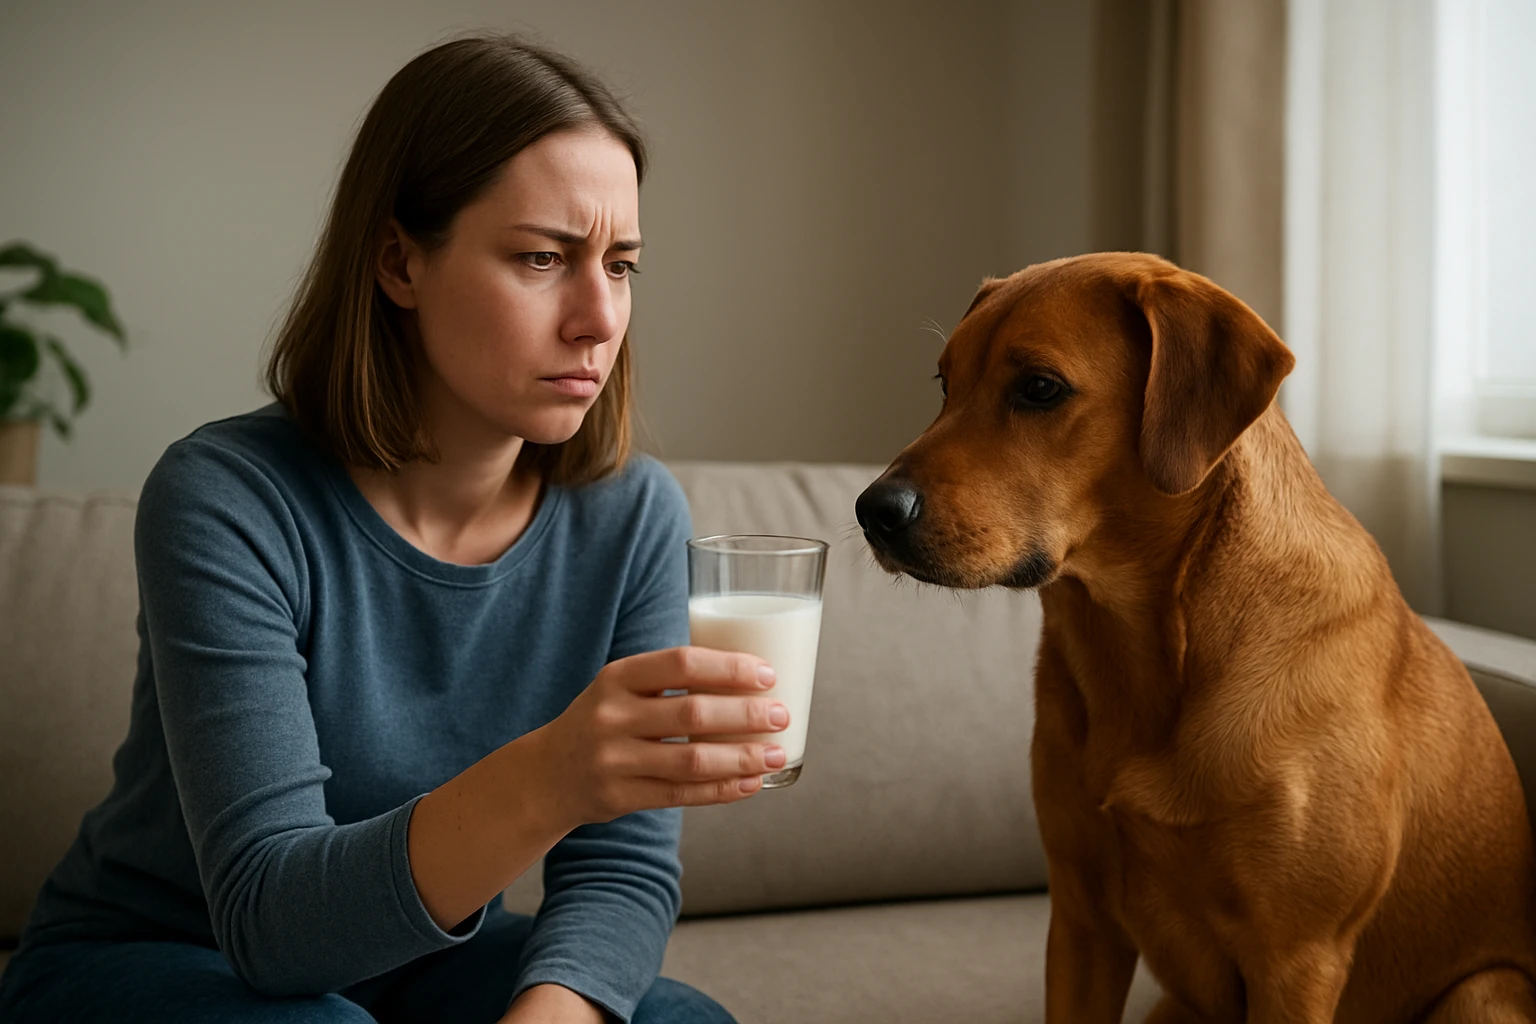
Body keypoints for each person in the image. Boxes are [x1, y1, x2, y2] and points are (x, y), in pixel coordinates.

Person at [0, 34, 790, 1024]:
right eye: (543, 257)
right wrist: (552, 773)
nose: (598, 317)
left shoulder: (631, 515)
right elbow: (272, 923)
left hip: (414, 961)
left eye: (621, 264)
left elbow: (619, 874)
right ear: (398, 261)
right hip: (162, 957)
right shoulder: (228, 499)